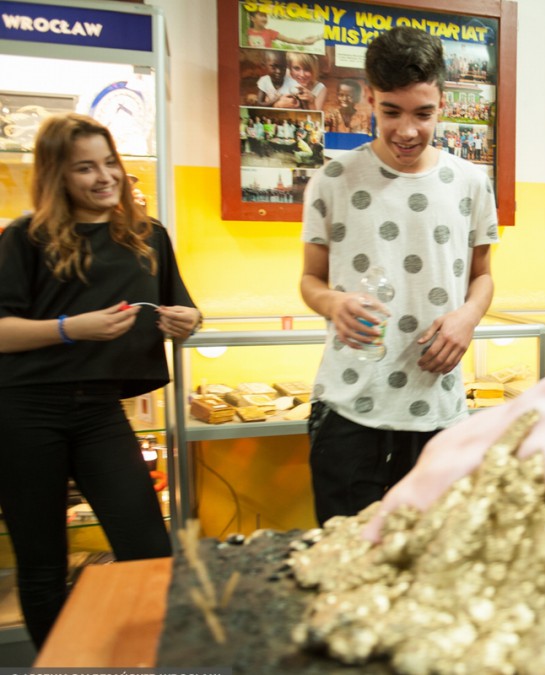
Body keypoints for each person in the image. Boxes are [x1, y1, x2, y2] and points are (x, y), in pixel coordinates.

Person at [0, 113, 201, 648]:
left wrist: (188, 320)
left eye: (109, 162)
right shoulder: (24, 238)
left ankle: (155, 656)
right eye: (85, 168)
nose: (104, 177)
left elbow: (182, 307)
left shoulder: (146, 236)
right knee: (43, 565)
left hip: (99, 412)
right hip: (24, 411)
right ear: (56, 176)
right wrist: (70, 329)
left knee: (150, 551)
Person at [299, 27, 498, 525]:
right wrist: (333, 304)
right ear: (369, 96)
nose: (407, 130)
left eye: (422, 113)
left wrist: (467, 318)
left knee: (429, 564)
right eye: (391, 111)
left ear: (443, 102)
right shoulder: (333, 179)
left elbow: (483, 277)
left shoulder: (470, 183)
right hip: (348, 406)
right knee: (345, 560)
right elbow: (310, 279)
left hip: (437, 408)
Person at [244, 10, 319, 49]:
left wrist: (303, 41)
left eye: (265, 16)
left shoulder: (270, 32)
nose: (264, 19)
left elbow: (288, 39)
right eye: (261, 16)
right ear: (252, 18)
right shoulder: (246, 32)